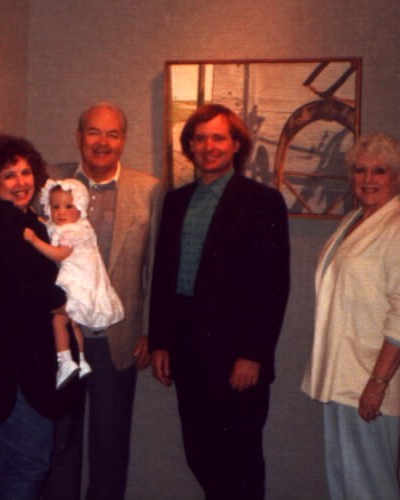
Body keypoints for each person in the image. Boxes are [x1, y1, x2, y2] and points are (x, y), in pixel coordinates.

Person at [149, 103, 290, 500]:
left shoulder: (262, 201)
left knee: (240, 460)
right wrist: (161, 339)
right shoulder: (176, 201)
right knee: (199, 452)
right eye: (200, 138)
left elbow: (273, 286)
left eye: (218, 137)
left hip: (236, 355)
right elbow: (164, 276)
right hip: (186, 347)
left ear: (235, 145)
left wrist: (253, 354)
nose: (209, 146)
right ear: (190, 146)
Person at [301, 132, 400, 500]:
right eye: (360, 170)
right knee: (345, 483)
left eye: (379, 170)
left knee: (369, 488)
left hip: (370, 380)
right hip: (341, 377)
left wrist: (377, 382)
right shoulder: (354, 221)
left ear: (399, 177)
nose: (367, 178)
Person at [41, 102, 164, 500]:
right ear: (79, 137)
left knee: (110, 447)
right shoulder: (49, 182)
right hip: (61, 339)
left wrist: (152, 331)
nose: (102, 142)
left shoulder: (149, 190)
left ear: (123, 141)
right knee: (61, 443)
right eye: (93, 132)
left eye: (112, 134)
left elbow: (157, 267)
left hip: (118, 337)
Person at [0, 134, 81, 499]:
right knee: (29, 460)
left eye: (26, 172)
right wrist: (66, 298)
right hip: (21, 365)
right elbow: (27, 292)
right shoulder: (3, 225)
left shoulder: (22, 219)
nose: (21, 183)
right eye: (9, 176)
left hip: (17, 362)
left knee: (5, 456)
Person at [25, 178, 125, 389]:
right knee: (73, 324)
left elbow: (59, 254)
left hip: (76, 283)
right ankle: (80, 359)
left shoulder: (72, 231)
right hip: (82, 281)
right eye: (55, 207)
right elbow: (50, 226)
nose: (61, 212)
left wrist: (35, 241)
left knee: (59, 320)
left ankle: (65, 362)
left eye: (68, 206)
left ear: (80, 207)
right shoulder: (74, 226)